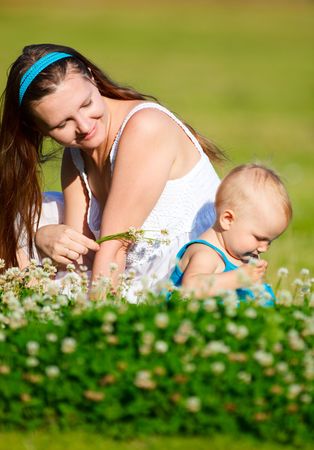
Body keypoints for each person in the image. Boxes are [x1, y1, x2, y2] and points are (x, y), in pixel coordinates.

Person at [0, 43, 224, 301]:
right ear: (39, 129)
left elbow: (114, 248)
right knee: (19, 221)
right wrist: (40, 239)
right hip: (129, 276)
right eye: (62, 123)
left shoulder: (145, 128)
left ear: (92, 78)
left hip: (188, 279)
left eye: (86, 104)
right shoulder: (77, 156)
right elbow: (80, 260)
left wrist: (96, 326)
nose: (84, 126)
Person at [169, 164, 292, 301]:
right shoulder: (206, 253)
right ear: (228, 220)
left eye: (269, 241)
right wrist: (239, 278)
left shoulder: (243, 255)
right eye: (259, 238)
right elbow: (191, 289)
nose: (264, 248)